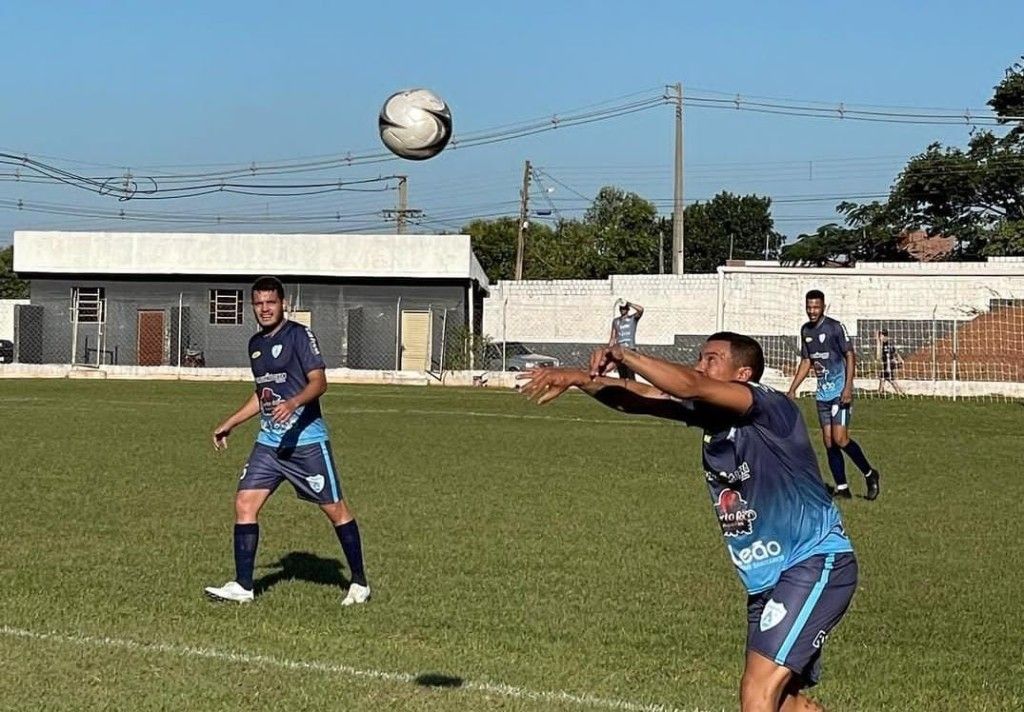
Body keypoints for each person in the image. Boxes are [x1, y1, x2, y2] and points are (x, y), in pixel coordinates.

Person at [519, 334, 857, 712]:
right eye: (699, 358)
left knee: (756, 692)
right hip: (766, 579)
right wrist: (581, 378)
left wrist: (625, 352)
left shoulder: (766, 404)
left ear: (743, 374)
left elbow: (689, 384)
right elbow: (637, 397)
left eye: (712, 359)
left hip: (813, 563)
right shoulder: (707, 413)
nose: (700, 365)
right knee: (785, 702)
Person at [205, 276, 369, 605]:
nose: (265, 309)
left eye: (271, 302)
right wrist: (231, 423)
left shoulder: (299, 335)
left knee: (335, 509)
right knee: (244, 504)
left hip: (306, 441)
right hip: (269, 443)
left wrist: (293, 403)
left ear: (283, 304)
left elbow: (319, 382)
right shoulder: (255, 344)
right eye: (259, 303)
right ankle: (243, 586)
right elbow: (261, 393)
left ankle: (360, 583)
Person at [786, 290, 880, 501]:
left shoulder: (834, 327)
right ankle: (842, 487)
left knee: (840, 439)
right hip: (823, 395)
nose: (812, 311)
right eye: (809, 307)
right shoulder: (806, 331)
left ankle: (869, 473)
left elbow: (850, 355)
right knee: (829, 441)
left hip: (839, 392)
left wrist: (848, 387)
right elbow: (807, 361)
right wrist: (793, 389)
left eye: (816, 307)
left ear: (823, 307)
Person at [608, 299, 644, 380]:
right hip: (619, 350)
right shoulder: (616, 321)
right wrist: (609, 350)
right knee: (622, 375)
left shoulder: (633, 319)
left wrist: (629, 303)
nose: (622, 310)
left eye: (624, 308)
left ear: (628, 309)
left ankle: (633, 391)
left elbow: (641, 309)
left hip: (630, 349)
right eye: (621, 308)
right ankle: (623, 392)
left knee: (631, 375)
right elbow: (613, 337)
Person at [876, 330, 904, 396]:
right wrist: (900, 359)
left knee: (890, 379)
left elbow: (878, 356)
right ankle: (880, 392)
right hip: (888, 364)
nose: (880, 338)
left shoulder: (885, 345)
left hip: (888, 364)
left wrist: (898, 360)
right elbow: (895, 353)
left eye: (880, 336)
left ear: (883, 336)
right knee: (883, 378)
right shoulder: (887, 344)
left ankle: (900, 393)